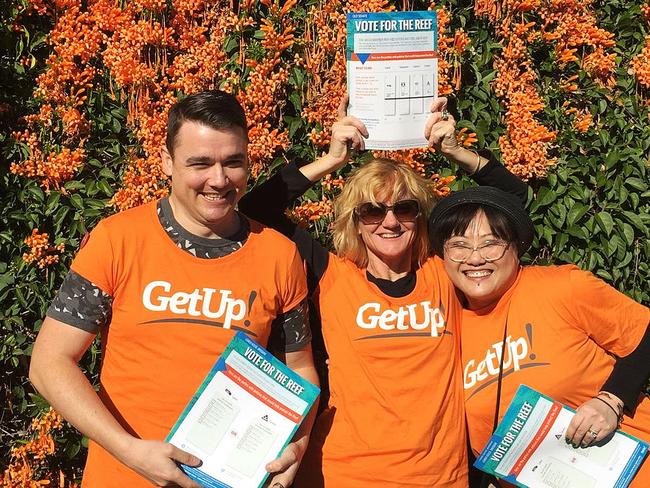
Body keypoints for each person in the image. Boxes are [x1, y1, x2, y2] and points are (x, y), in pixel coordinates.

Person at [29, 90, 319, 488]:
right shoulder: (117, 239)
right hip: (124, 476)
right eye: (200, 163)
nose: (219, 180)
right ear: (167, 162)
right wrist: (129, 451)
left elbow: (300, 369)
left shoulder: (279, 255)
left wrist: (296, 450)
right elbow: (49, 363)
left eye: (233, 162)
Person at [238, 98, 527, 487]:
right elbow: (254, 209)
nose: (389, 221)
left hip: (439, 478)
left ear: (418, 216)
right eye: (372, 210)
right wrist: (332, 159)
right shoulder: (331, 274)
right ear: (355, 222)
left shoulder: (444, 272)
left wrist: (455, 151)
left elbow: (512, 200)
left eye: (404, 208)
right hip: (343, 474)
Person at [428, 186, 650, 486]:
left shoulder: (562, 287)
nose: (475, 258)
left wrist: (611, 401)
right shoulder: (445, 326)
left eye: (491, 243)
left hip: (630, 470)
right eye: (459, 245)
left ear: (516, 247)